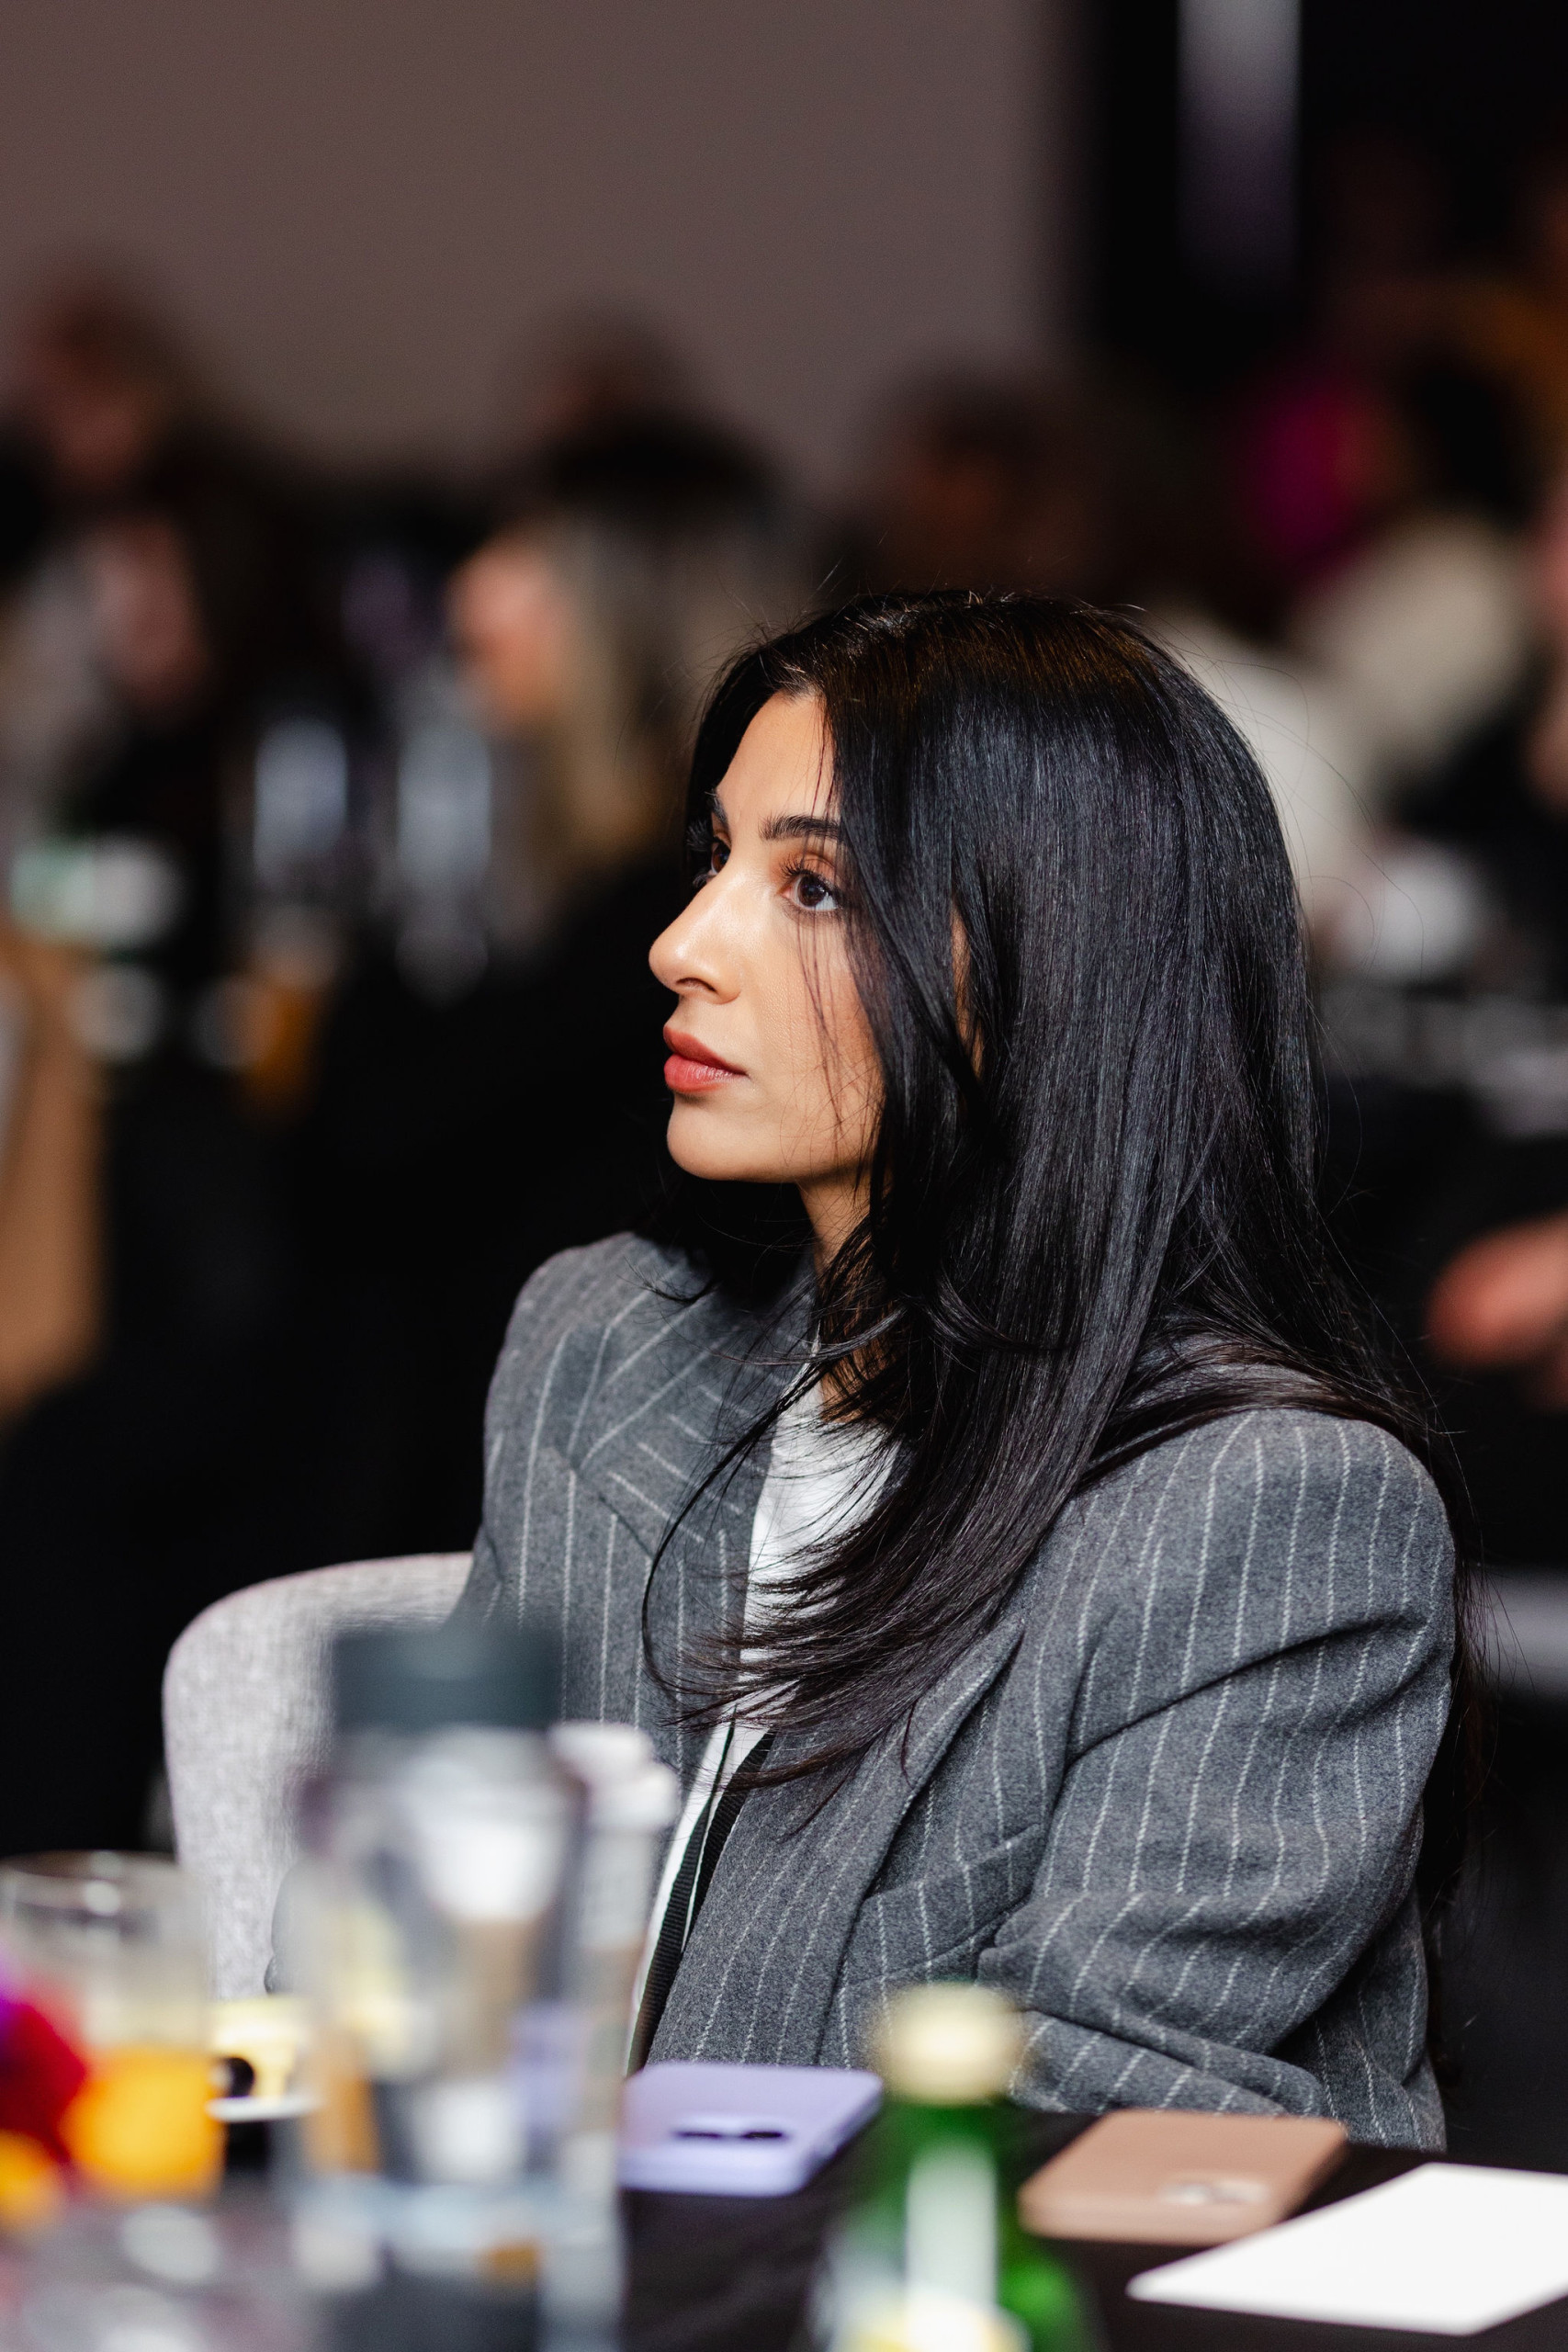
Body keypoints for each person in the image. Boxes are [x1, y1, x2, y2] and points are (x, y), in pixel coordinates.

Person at [460, 592, 1465, 2143]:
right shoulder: (602, 1345)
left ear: (1046, 962)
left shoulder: (1271, 1515)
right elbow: (420, 1933)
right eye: (713, 859)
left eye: (810, 889)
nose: (679, 946)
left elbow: (1078, 2120)